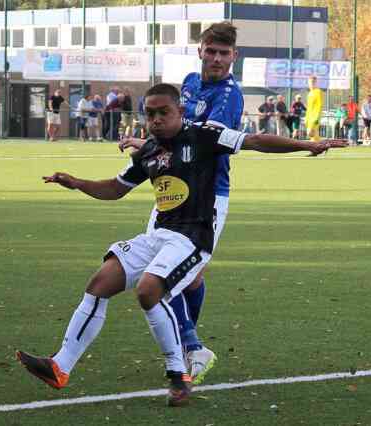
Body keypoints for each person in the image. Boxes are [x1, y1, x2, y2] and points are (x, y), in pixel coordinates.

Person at [15, 83, 343, 407]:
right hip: (159, 234)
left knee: (148, 291)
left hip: (193, 238)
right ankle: (60, 366)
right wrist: (76, 183)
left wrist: (306, 145)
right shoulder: (148, 151)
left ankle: (178, 374)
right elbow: (115, 189)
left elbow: (256, 140)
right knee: (100, 282)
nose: (156, 120)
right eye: (150, 114)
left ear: (180, 112)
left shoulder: (205, 135)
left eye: (163, 113)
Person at [124, 21, 245, 385]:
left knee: (167, 274)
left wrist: (152, 141)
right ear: (200, 51)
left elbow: (196, 137)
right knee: (189, 276)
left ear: (233, 57)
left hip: (208, 193)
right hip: (171, 186)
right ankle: (189, 348)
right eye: (211, 51)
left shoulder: (229, 96)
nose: (217, 59)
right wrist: (149, 141)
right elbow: (169, 124)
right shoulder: (190, 83)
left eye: (224, 53)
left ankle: (191, 347)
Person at [305, 76, 323, 142]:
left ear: (316, 83)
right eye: (310, 82)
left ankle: (318, 146)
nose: (312, 83)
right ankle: (321, 147)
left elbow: (320, 105)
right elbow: (308, 107)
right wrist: (306, 118)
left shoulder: (318, 91)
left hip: (315, 117)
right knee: (313, 135)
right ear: (308, 83)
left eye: (313, 82)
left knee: (310, 133)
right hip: (309, 117)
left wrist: (317, 117)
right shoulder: (309, 94)